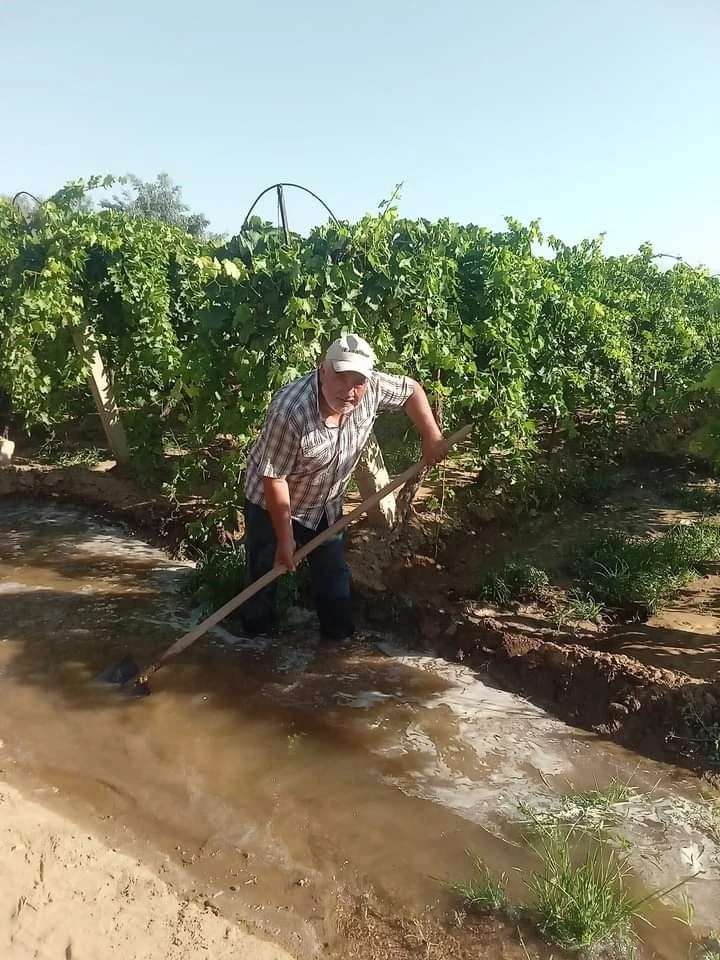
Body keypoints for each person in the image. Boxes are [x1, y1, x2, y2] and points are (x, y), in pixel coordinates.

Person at [237, 333, 448, 640]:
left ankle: (337, 646)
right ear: (323, 370)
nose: (349, 390)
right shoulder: (290, 410)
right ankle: (253, 649)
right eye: (340, 377)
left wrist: (432, 436)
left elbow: (411, 391)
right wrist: (285, 540)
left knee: (333, 578)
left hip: (326, 505)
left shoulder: (372, 388)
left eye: (357, 381)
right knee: (264, 578)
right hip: (272, 506)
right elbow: (275, 477)